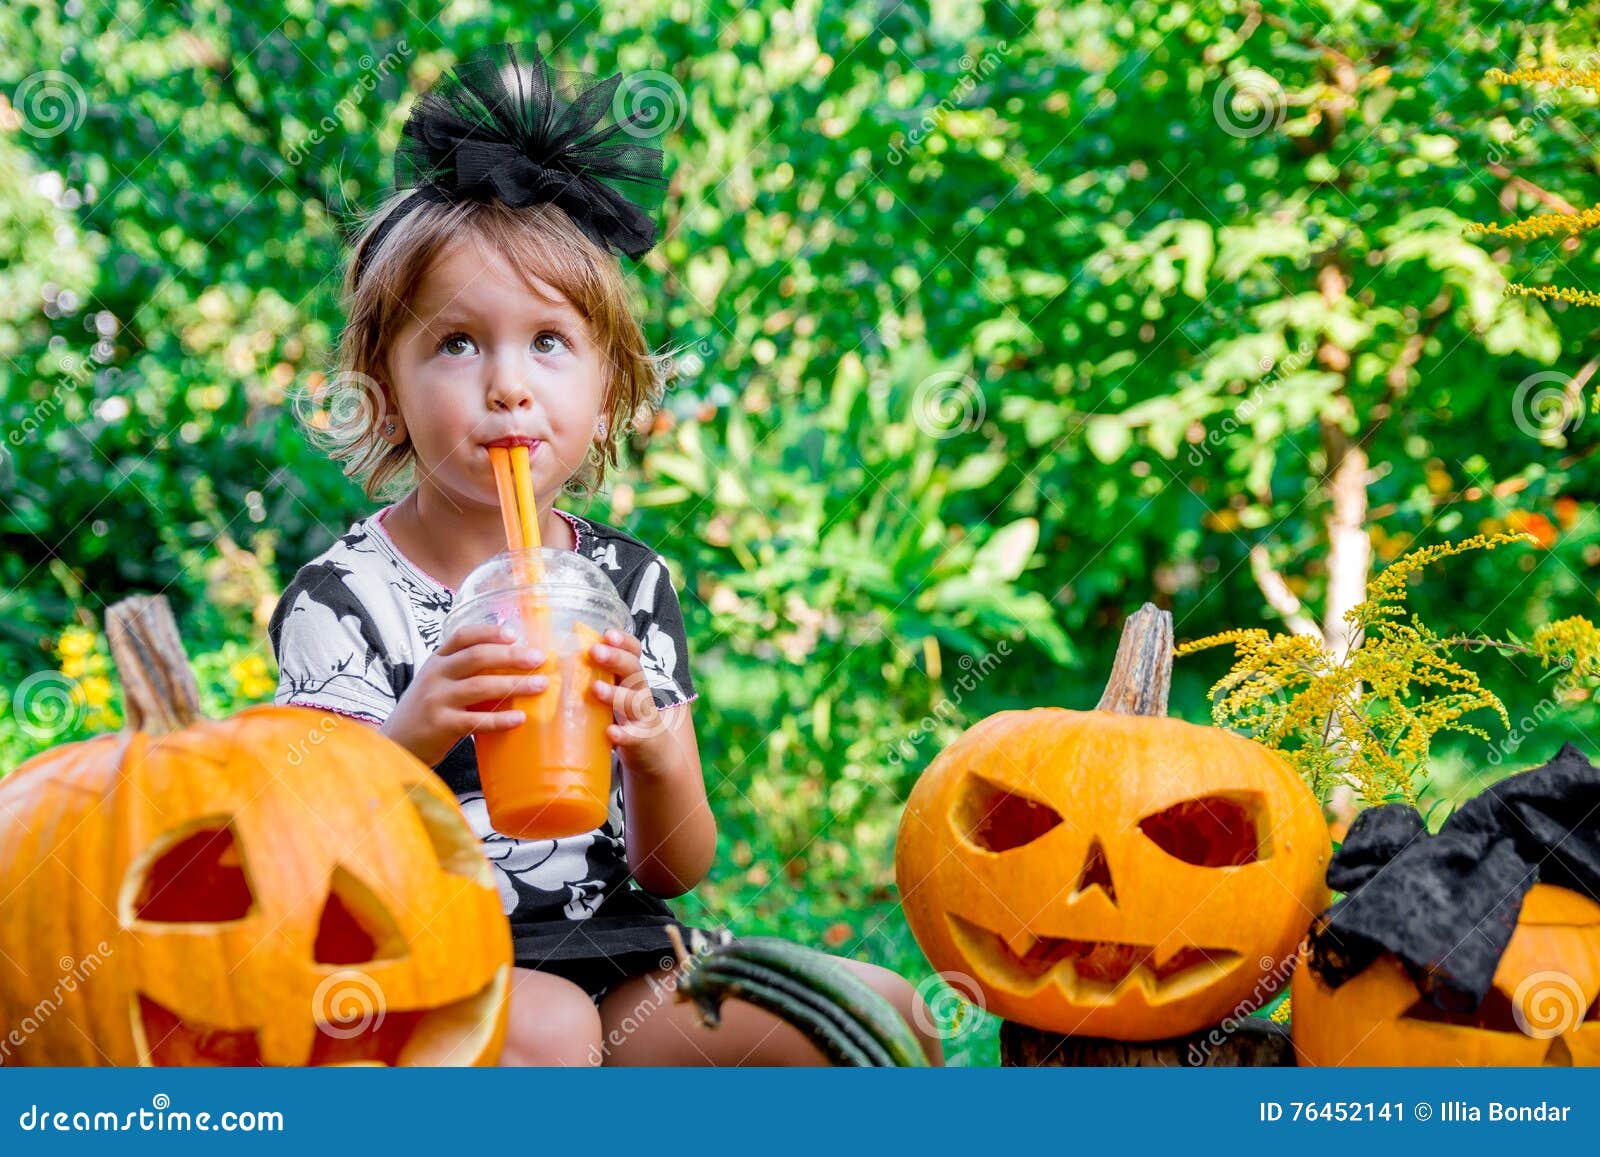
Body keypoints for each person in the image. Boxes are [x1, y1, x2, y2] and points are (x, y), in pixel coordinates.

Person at [268, 42, 941, 1066]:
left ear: (608, 385)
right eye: (455, 343)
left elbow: (674, 867)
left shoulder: (624, 583)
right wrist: (410, 728)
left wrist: (659, 756)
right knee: (549, 1029)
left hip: (619, 951)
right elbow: (303, 841)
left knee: (875, 1017)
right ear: (383, 381)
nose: (507, 385)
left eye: (549, 341)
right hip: (421, 955)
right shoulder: (345, 596)